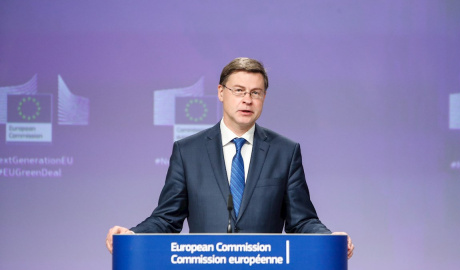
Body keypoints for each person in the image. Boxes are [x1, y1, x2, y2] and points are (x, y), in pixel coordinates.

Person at [106, 57, 354, 259]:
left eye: (256, 93)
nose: (247, 99)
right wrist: (133, 235)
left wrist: (329, 239)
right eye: (239, 90)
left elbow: (302, 221)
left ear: (264, 98)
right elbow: (167, 218)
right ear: (221, 93)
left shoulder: (285, 152)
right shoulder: (188, 151)